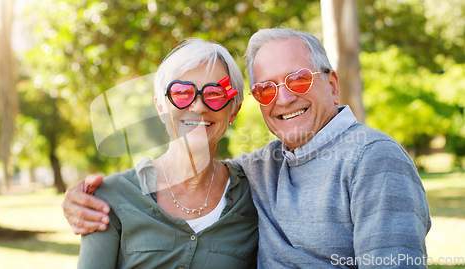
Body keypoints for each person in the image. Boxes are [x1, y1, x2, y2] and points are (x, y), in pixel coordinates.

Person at [64, 28, 431, 268]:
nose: (284, 98)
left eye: (299, 80)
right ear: (161, 103)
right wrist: (79, 199)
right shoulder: (263, 168)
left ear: (332, 85)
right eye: (267, 89)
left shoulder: (374, 159)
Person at [76, 38, 258, 269]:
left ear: (234, 111)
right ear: (161, 106)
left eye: (215, 94)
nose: (199, 106)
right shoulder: (110, 197)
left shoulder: (255, 193)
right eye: (182, 92)